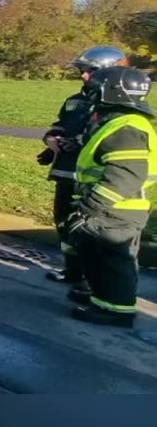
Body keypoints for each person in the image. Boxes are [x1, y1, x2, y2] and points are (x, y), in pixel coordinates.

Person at [64, 65, 157, 328]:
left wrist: (90, 207)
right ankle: (101, 299)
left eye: (96, 89)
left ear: (112, 93)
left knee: (115, 261)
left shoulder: (127, 128)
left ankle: (117, 311)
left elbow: (124, 176)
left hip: (117, 209)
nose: (91, 93)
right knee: (100, 258)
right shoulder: (120, 121)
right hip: (114, 208)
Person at [39, 46, 129, 284]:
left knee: (89, 230)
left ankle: (93, 281)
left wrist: (78, 142)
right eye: (82, 71)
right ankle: (72, 271)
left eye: (90, 71)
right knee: (65, 224)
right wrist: (52, 139)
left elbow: (106, 139)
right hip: (65, 174)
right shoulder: (74, 100)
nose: (84, 76)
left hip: (92, 182)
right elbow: (61, 124)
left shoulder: (116, 107)